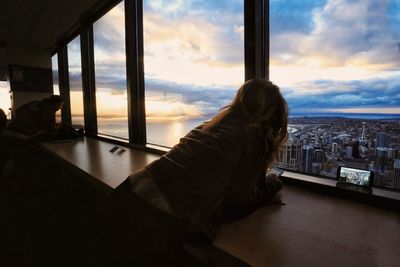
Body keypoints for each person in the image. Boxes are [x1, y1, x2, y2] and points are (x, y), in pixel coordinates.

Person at [103, 79, 288, 265]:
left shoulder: (209, 126)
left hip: (126, 196)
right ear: (274, 116)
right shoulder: (254, 138)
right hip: (158, 221)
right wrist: (271, 186)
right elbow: (237, 205)